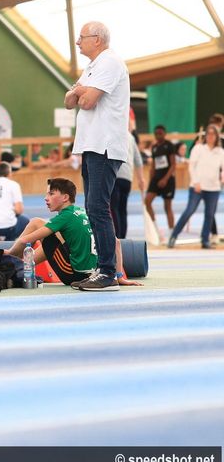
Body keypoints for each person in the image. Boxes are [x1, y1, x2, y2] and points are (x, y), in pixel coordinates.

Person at [65, 20, 130, 291]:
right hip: (91, 145)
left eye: (82, 37)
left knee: (98, 208)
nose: (78, 42)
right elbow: (70, 101)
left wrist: (80, 90)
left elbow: (87, 101)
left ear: (97, 40)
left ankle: (107, 272)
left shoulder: (110, 62)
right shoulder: (93, 66)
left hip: (104, 145)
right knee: (93, 209)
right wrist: (81, 91)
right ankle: (103, 269)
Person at [3, 178, 98, 287]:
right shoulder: (80, 211)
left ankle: (13, 263)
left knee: (36, 224)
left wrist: (9, 253)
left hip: (74, 275)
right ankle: (20, 267)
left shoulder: (65, 216)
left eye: (51, 194)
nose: (46, 198)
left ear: (65, 197)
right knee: (51, 238)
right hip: (92, 274)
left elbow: (25, 240)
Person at [169, 124, 224, 249]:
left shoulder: (220, 152)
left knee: (210, 215)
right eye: (208, 134)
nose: (210, 136)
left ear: (217, 136)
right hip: (197, 187)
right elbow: (191, 166)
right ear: (205, 135)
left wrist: (222, 177)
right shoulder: (198, 148)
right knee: (189, 211)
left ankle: (205, 240)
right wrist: (196, 182)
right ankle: (173, 236)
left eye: (213, 134)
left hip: (213, 188)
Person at [110, 126, 144, 241]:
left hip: (115, 175)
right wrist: (141, 179)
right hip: (127, 178)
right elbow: (138, 160)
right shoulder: (131, 137)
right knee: (122, 209)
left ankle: (118, 237)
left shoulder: (112, 133)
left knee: (114, 208)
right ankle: (123, 238)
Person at [144, 124, 177, 232]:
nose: (158, 136)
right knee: (147, 201)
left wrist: (165, 179)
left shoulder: (169, 145)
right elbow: (153, 165)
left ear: (165, 134)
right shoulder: (154, 147)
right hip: (156, 178)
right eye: (156, 134)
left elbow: (173, 165)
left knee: (167, 206)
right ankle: (156, 229)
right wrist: (151, 180)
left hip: (168, 179)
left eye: (160, 133)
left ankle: (172, 233)